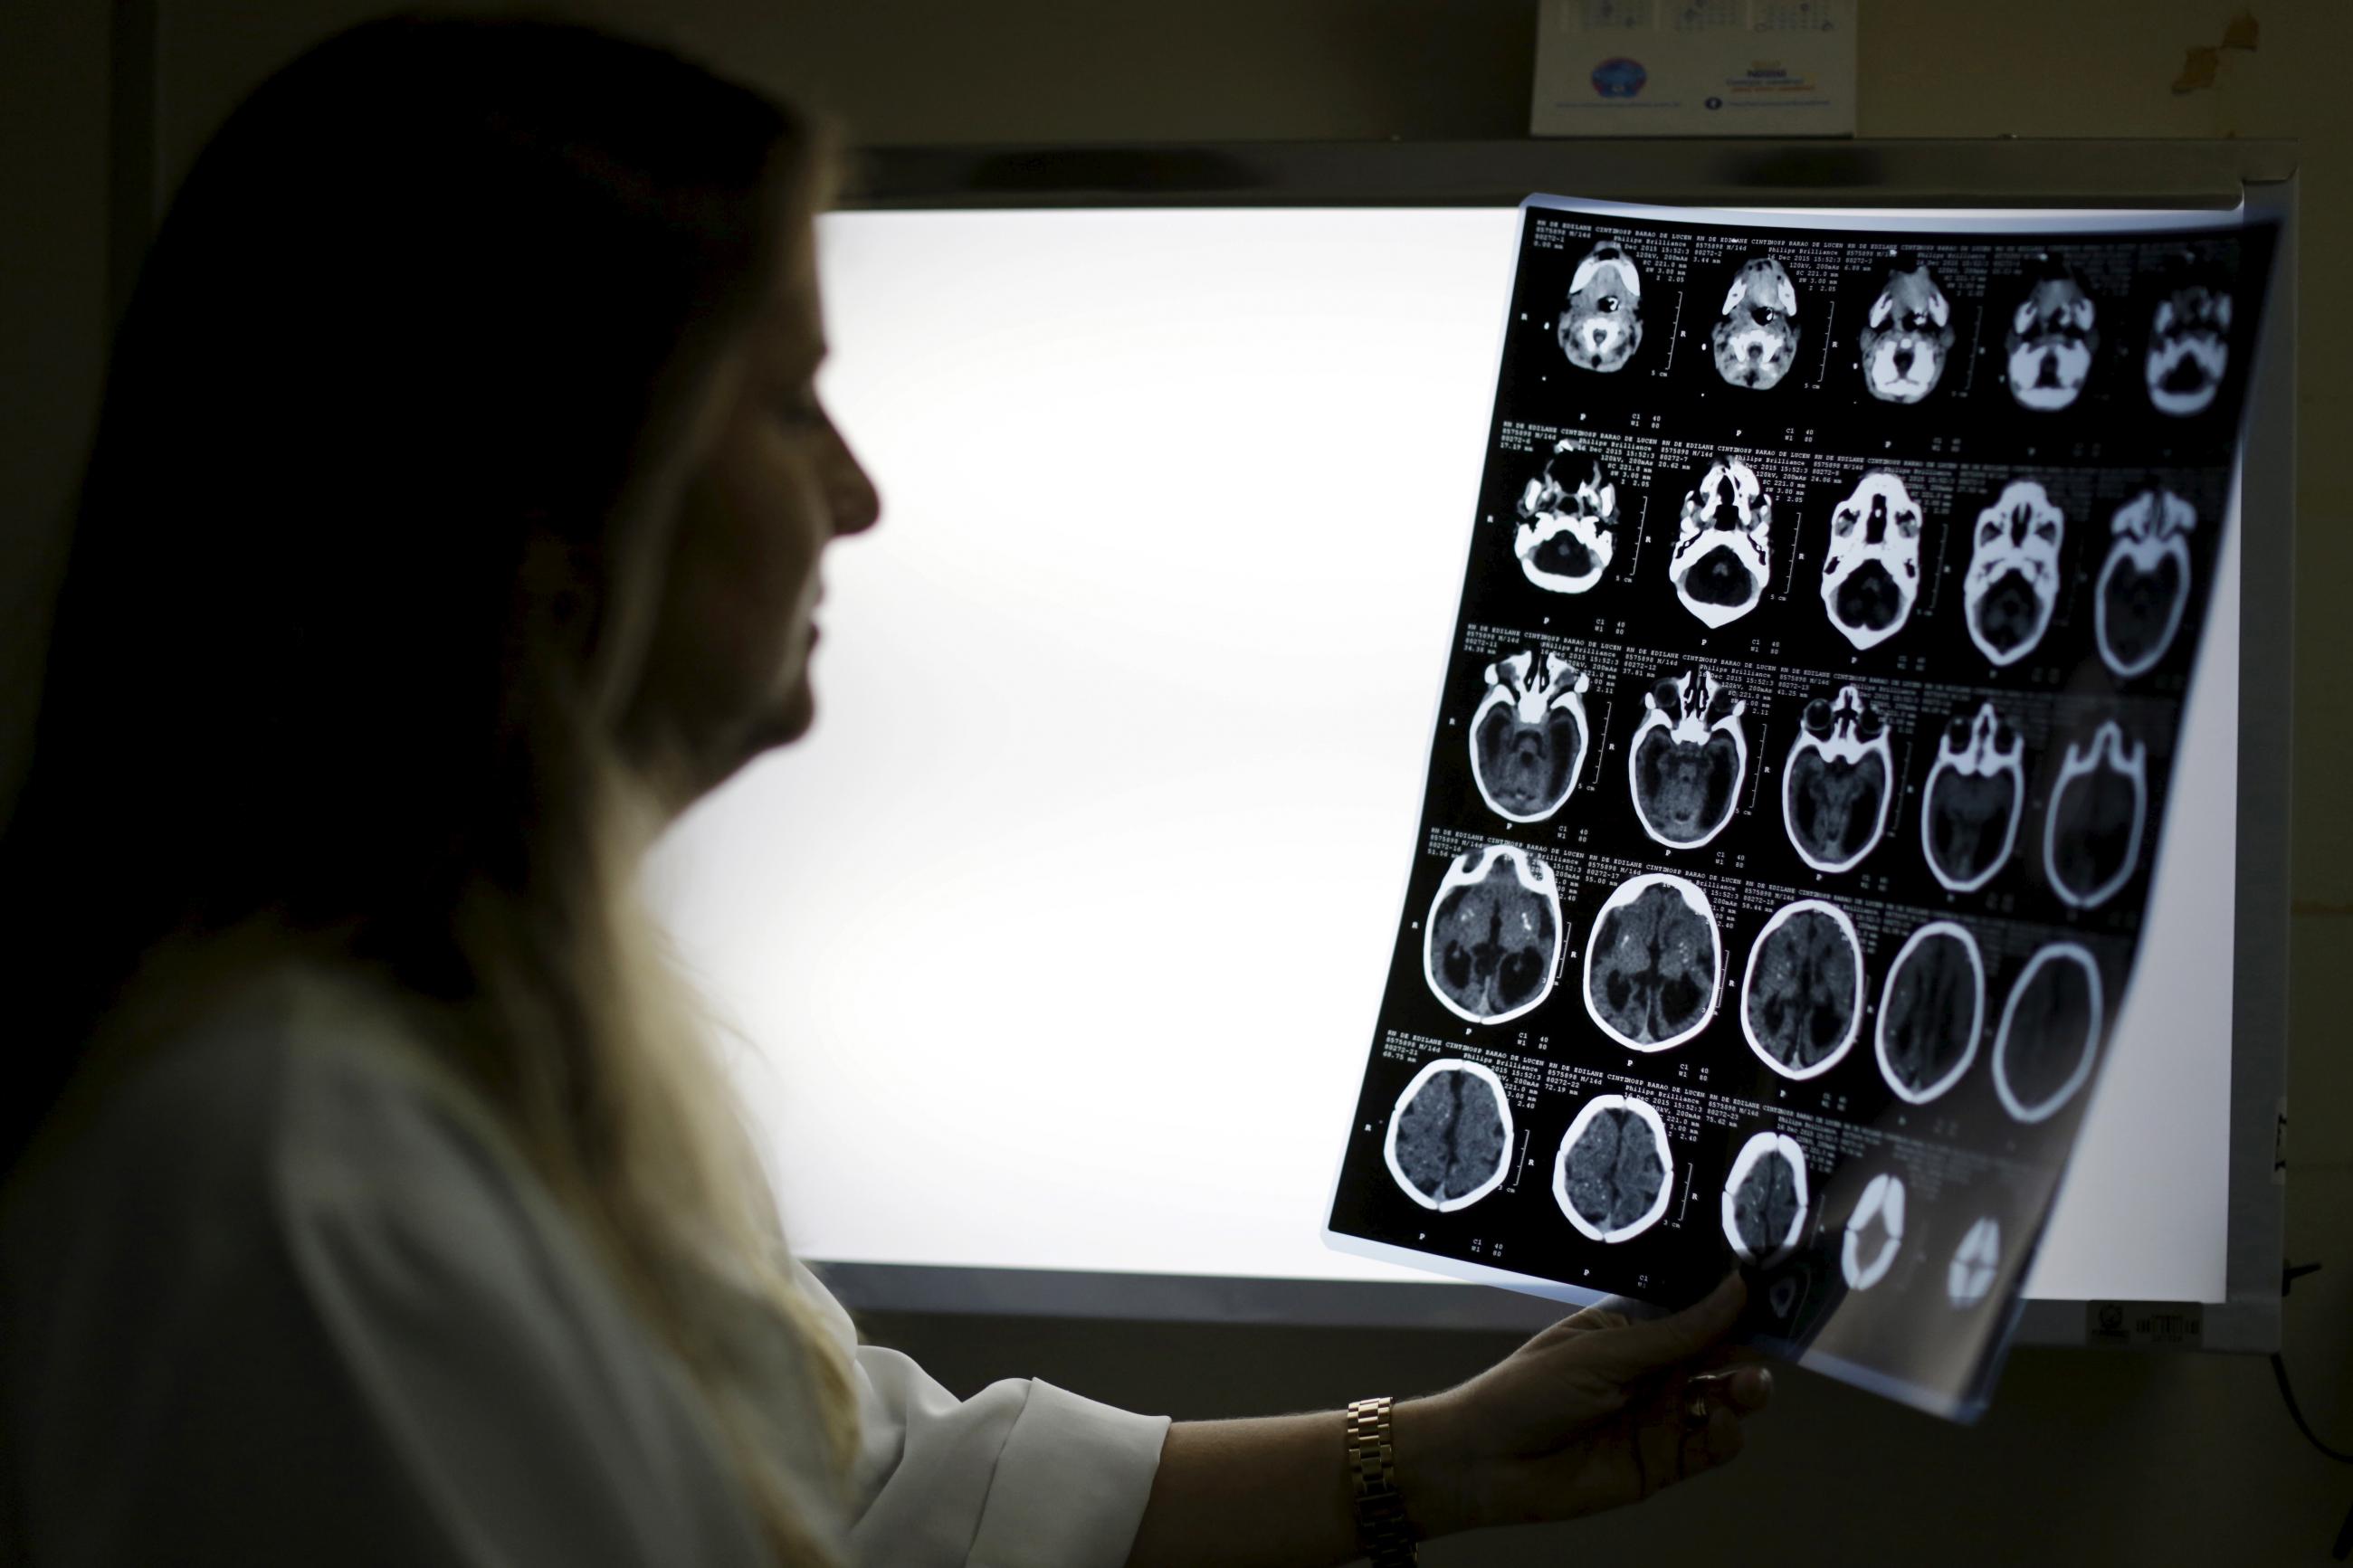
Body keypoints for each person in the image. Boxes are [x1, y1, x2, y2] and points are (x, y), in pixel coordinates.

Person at [0, 15, 1770, 1566]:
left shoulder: (509, 1066)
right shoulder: (297, 1186)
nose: (853, 498)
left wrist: (1432, 1462)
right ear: (538, 516)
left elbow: (848, 1489)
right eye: (786, 407)